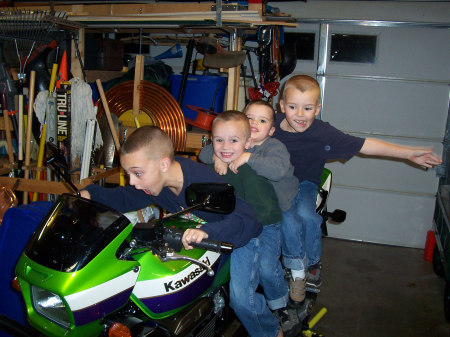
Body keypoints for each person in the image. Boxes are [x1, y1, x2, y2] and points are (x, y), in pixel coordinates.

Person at [274, 74, 442, 297]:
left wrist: (408, 153)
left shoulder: (323, 132)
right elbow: (241, 131)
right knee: (285, 217)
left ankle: (311, 265)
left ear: (317, 108)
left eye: (308, 108)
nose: (300, 115)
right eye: (293, 107)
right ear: (282, 106)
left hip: (305, 183)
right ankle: (288, 265)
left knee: (305, 214)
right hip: (278, 182)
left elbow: (365, 145)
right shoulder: (271, 125)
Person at [79, 125, 261, 252]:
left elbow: (248, 218)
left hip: (235, 241)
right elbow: (125, 196)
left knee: (240, 298)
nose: (132, 182)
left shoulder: (202, 182)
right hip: (201, 242)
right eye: (128, 174)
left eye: (138, 173)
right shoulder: (159, 183)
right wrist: (89, 194)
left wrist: (208, 232)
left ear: (164, 165)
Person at [199, 101, 306, 303]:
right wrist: (217, 157)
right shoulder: (231, 144)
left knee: (286, 237)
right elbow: (204, 153)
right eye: (250, 118)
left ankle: (296, 271)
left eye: (262, 120)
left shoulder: (274, 147)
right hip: (248, 213)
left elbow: (277, 171)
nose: (255, 122)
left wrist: (249, 158)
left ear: (271, 130)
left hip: (279, 206)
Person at [204, 110, 289, 337]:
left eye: (234, 140)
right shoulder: (218, 159)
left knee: (243, 295)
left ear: (249, 142)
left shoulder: (251, 168)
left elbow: (260, 217)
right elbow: (204, 155)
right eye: (219, 140)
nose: (225, 146)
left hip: (260, 228)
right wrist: (215, 156)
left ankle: (278, 319)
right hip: (239, 224)